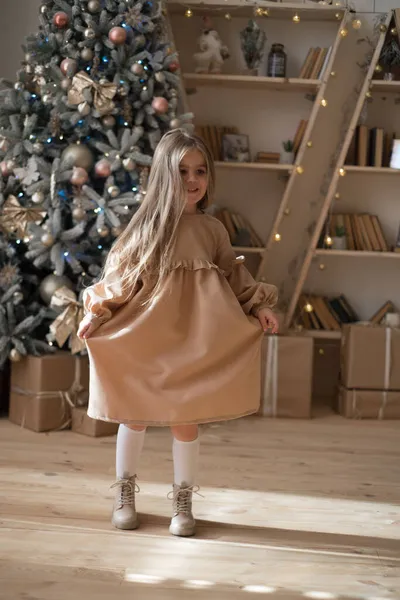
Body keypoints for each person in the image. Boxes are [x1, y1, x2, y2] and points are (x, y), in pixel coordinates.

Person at [77, 128, 278, 537]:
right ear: (164, 176)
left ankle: (182, 500)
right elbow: (121, 279)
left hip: (194, 341)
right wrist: (96, 313)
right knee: (133, 417)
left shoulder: (213, 230)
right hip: (147, 337)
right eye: (182, 170)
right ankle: (125, 492)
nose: (192, 180)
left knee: (186, 422)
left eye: (200, 171)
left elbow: (233, 277)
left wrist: (259, 305)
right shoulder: (147, 229)